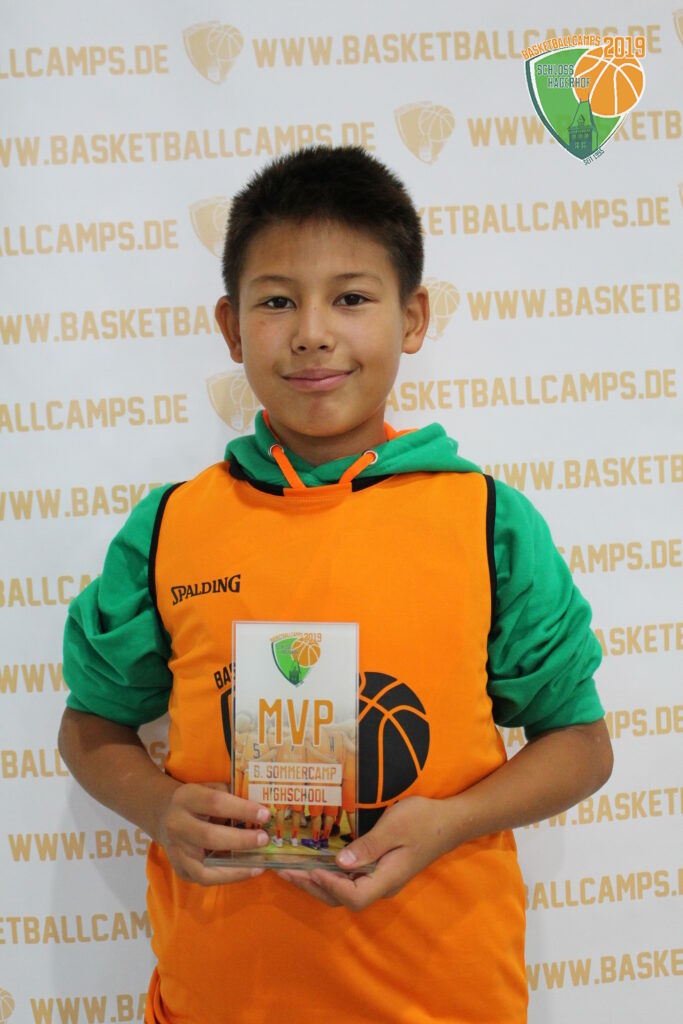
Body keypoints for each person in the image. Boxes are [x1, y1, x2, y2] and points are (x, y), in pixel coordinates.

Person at [58, 146, 613, 1024]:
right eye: (277, 301)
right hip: (219, 1000)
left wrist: (448, 821)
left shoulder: (486, 522)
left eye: (351, 298)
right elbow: (90, 725)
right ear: (231, 328)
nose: (312, 331)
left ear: (412, 317)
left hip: (443, 999)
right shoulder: (171, 528)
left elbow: (579, 745)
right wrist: (160, 805)